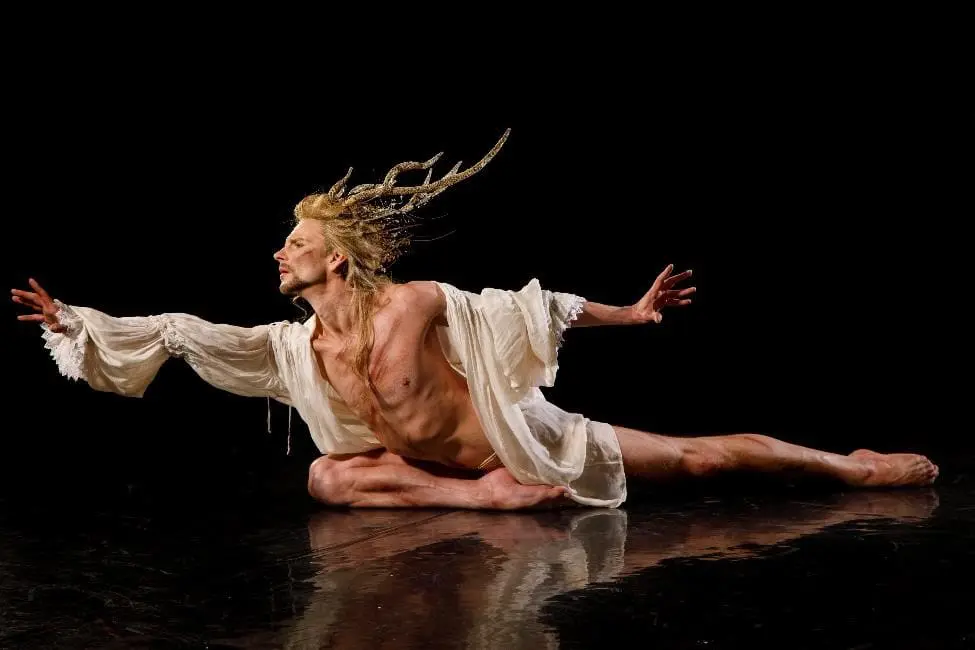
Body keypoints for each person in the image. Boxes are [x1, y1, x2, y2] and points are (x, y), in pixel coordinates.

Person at [12, 130, 938, 510]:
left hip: (517, 444)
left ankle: (846, 467)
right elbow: (180, 331)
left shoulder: (413, 306)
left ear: (334, 258)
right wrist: (78, 321)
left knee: (696, 455)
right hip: (440, 475)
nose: (278, 255)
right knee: (327, 480)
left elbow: (529, 311)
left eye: (292, 244)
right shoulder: (293, 347)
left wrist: (634, 313)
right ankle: (476, 502)